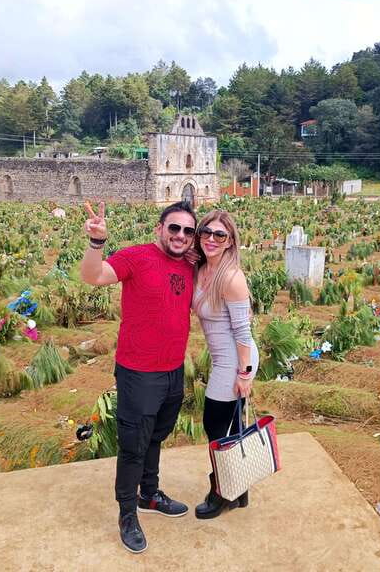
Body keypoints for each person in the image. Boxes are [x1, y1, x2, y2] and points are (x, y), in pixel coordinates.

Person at [80, 200, 197, 554]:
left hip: (173, 370)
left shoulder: (191, 266)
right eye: (174, 228)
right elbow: (93, 277)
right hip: (138, 372)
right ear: (159, 229)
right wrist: (97, 243)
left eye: (188, 231)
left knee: (156, 437)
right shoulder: (136, 256)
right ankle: (127, 514)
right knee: (133, 446)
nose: (180, 235)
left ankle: (150, 494)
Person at [191, 210, 259, 519]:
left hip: (235, 360)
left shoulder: (231, 277)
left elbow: (243, 330)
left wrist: (244, 374)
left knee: (215, 429)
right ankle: (239, 489)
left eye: (220, 235)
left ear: (230, 242)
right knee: (224, 429)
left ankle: (221, 492)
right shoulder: (202, 268)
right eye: (206, 232)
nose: (211, 239)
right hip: (222, 358)